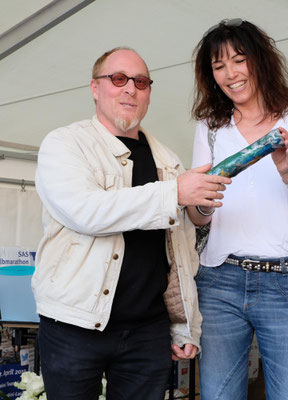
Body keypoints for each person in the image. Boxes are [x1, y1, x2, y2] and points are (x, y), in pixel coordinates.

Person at [33, 47, 230, 400]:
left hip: (146, 332)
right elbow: (87, 212)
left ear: (149, 94)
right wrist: (176, 193)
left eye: (140, 82)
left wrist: (186, 327)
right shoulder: (65, 144)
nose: (130, 89)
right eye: (118, 79)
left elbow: (180, 250)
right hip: (75, 326)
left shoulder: (166, 159)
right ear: (95, 88)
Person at [189, 19, 288, 400]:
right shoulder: (210, 127)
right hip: (220, 281)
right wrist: (200, 202)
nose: (230, 74)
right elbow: (198, 218)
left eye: (239, 60)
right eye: (219, 66)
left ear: (261, 60)